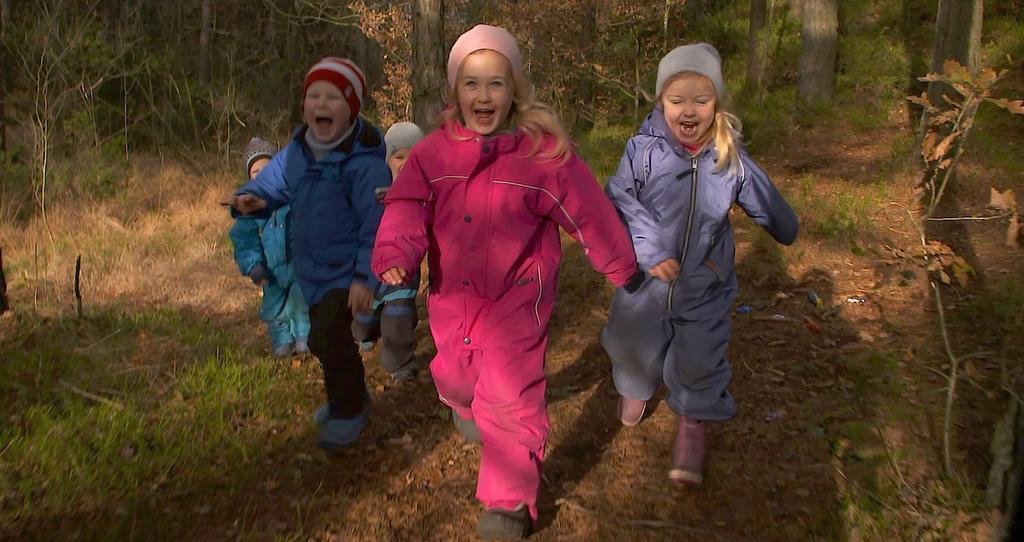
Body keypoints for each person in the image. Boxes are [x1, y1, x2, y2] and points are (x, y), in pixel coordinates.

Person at [371, 25, 640, 540]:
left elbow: (589, 211)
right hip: (454, 297)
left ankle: (509, 502)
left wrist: (620, 266)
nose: (483, 95)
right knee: (454, 375)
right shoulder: (432, 154)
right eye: (471, 84)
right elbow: (405, 205)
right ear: (455, 91)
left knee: (510, 392)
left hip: (520, 296)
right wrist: (396, 252)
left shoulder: (540, 155)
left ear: (514, 88)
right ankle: (462, 400)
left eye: (496, 83)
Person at [601, 43, 799, 485]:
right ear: (660, 103)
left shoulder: (730, 159)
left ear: (718, 104)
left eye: (701, 99)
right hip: (646, 280)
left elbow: (771, 209)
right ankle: (634, 387)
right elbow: (617, 197)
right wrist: (649, 247)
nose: (688, 110)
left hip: (705, 281)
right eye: (677, 100)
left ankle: (692, 423)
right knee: (632, 345)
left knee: (699, 357)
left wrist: (783, 221)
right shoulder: (642, 151)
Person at [221, 57, 390, 451]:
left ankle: (349, 411)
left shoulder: (365, 166)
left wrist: (366, 277)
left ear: (351, 108)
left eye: (332, 97)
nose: (320, 104)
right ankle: (347, 396)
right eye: (313, 95)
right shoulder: (296, 152)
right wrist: (251, 200)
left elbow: (377, 227)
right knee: (321, 341)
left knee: (327, 336)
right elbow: (273, 186)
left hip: (346, 274)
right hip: (309, 271)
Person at [350, 122, 425, 382]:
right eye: (399, 157)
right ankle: (364, 334)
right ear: (387, 159)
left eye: (413, 158)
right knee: (363, 316)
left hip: (404, 271)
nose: (405, 164)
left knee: (399, 317)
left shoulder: (424, 192)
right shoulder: (371, 186)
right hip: (368, 271)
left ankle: (399, 361)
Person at [229, 137, 311, 358]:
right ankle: (281, 342)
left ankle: (304, 338)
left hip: (298, 265)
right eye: (256, 172)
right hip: (270, 269)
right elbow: (244, 240)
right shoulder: (249, 208)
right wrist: (254, 265)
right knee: (274, 308)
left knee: (301, 301)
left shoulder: (292, 197)